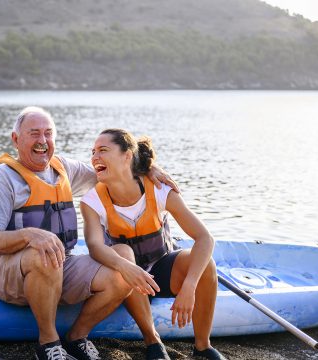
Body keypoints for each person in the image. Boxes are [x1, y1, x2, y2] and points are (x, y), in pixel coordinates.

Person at [0, 107, 178, 360]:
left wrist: (149, 169)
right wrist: (31, 235)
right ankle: (48, 343)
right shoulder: (2, 178)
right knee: (45, 251)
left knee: (122, 263)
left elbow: (113, 169)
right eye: (34, 134)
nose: (42, 141)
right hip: (8, 271)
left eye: (48, 134)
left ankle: (76, 337)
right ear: (17, 139)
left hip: (61, 265)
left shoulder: (64, 168)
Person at [80, 128, 226, 360]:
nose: (95, 157)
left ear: (127, 156)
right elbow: (95, 247)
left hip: (161, 269)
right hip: (124, 280)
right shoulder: (92, 200)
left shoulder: (158, 188)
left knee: (206, 264)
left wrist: (189, 286)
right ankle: (153, 341)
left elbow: (205, 238)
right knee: (124, 253)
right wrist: (126, 267)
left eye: (103, 150)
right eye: (93, 152)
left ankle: (202, 346)